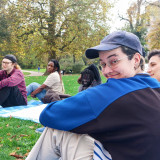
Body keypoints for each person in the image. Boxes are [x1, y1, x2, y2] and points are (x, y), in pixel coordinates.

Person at [26, 31, 160, 160]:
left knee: (57, 131)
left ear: (135, 59)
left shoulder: (110, 93)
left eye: (114, 61)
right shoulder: (155, 86)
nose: (106, 71)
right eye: (102, 64)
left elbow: (48, 114)